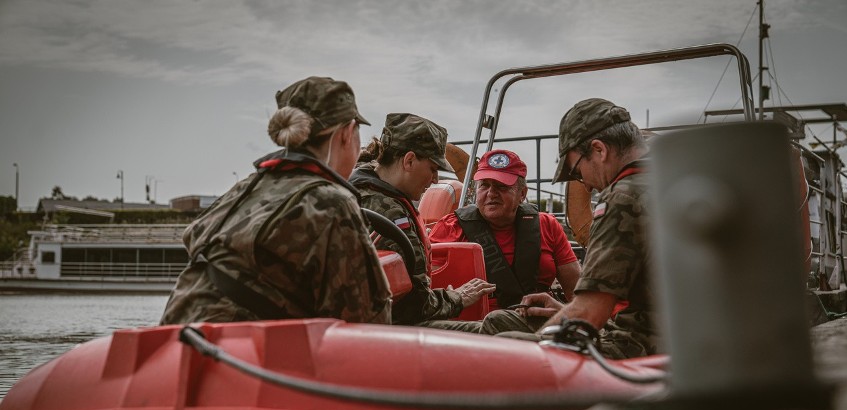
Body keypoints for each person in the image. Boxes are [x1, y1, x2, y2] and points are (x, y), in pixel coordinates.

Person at [160, 76, 391, 325]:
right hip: (239, 354)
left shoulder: (245, 188)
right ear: (347, 133)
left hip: (175, 341)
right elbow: (367, 322)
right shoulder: (332, 203)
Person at [519, 97, 658, 359]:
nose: (585, 185)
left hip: (639, 348)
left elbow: (589, 312)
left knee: (508, 344)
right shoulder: (671, 180)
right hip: (682, 341)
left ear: (599, 150)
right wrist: (564, 309)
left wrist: (532, 354)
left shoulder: (623, 196)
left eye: (576, 172)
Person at [350, 113, 495, 328]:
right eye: (433, 169)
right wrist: (457, 298)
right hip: (393, 331)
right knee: (494, 329)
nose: (435, 179)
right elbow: (413, 307)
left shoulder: (357, 190)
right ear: (409, 161)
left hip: (374, 325)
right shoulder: (390, 215)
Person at [429, 149, 580, 333]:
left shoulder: (547, 226)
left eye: (502, 186)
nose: (491, 193)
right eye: (484, 185)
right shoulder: (450, 227)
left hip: (536, 325)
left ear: (522, 194)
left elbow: (576, 292)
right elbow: (428, 290)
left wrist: (565, 315)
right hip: (475, 330)